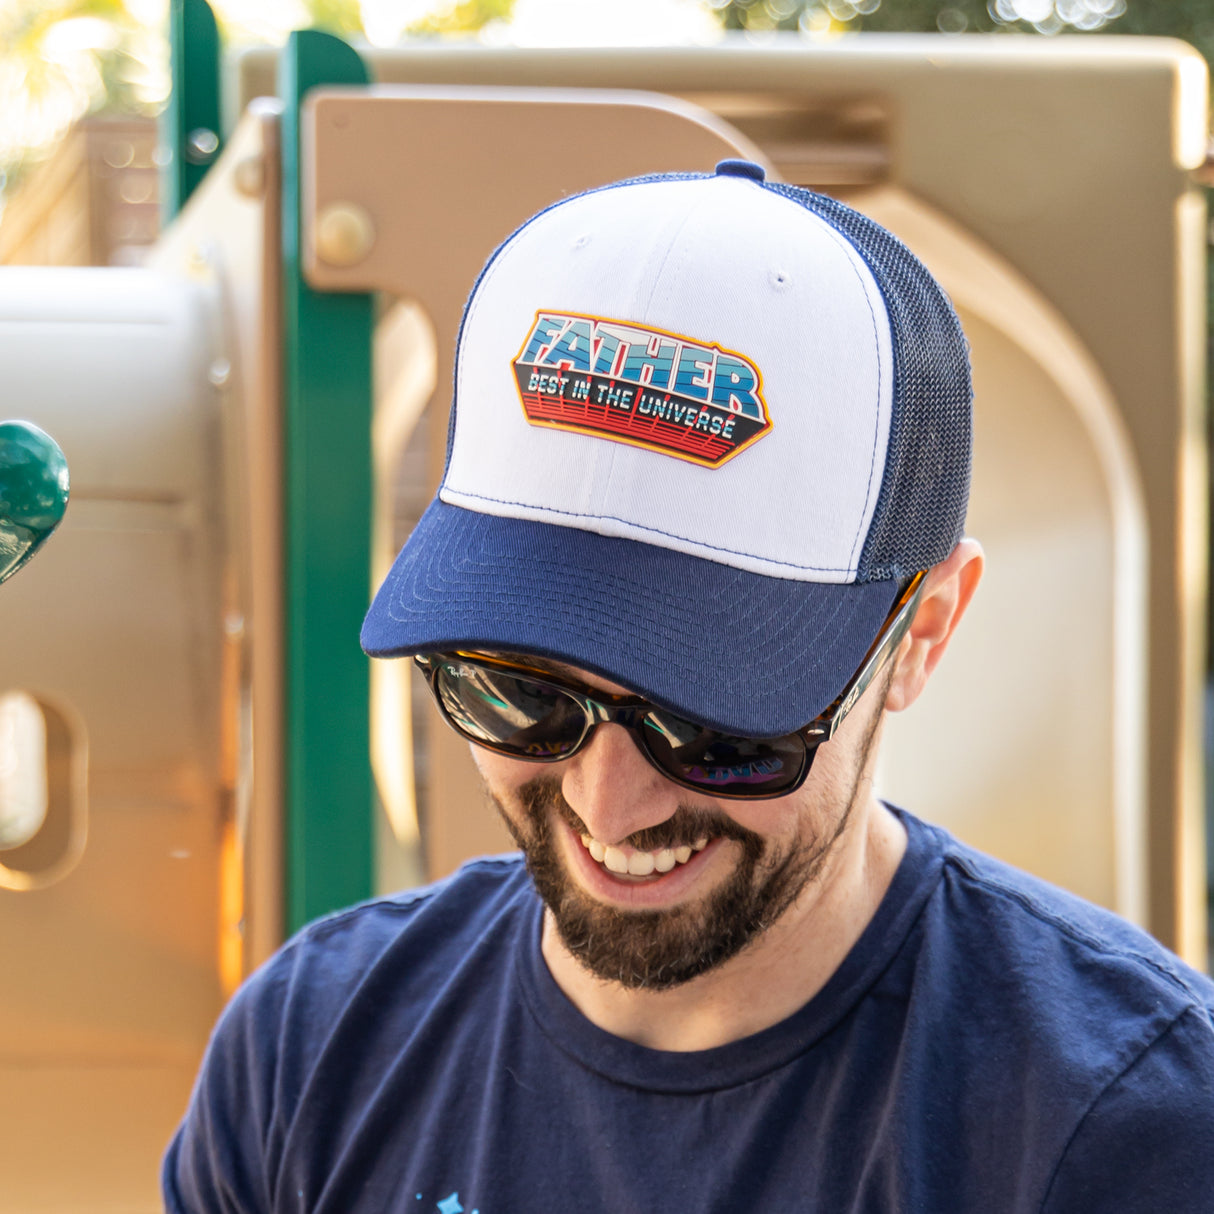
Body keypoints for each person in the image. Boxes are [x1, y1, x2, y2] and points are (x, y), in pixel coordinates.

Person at [164, 161, 1214, 1213]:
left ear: (922, 631)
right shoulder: (309, 1051)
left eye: (710, 722)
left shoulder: (1125, 1125)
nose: (607, 801)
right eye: (521, 691)